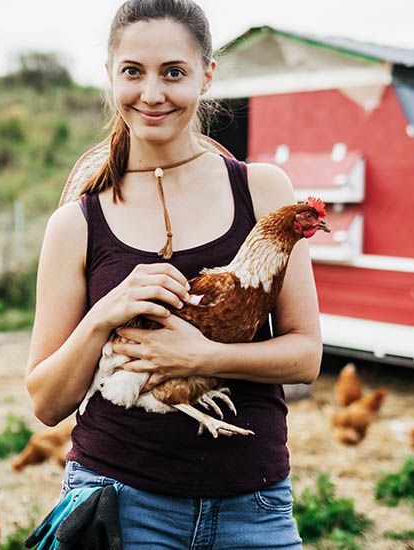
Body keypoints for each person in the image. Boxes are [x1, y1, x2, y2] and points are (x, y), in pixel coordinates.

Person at [24, 1, 322, 547]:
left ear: (208, 76)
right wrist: (102, 316)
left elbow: (305, 357)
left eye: (174, 73)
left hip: (251, 505)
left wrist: (203, 357)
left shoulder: (262, 190)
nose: (153, 93)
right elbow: (45, 402)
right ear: (110, 78)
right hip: (118, 499)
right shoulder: (76, 222)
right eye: (133, 72)